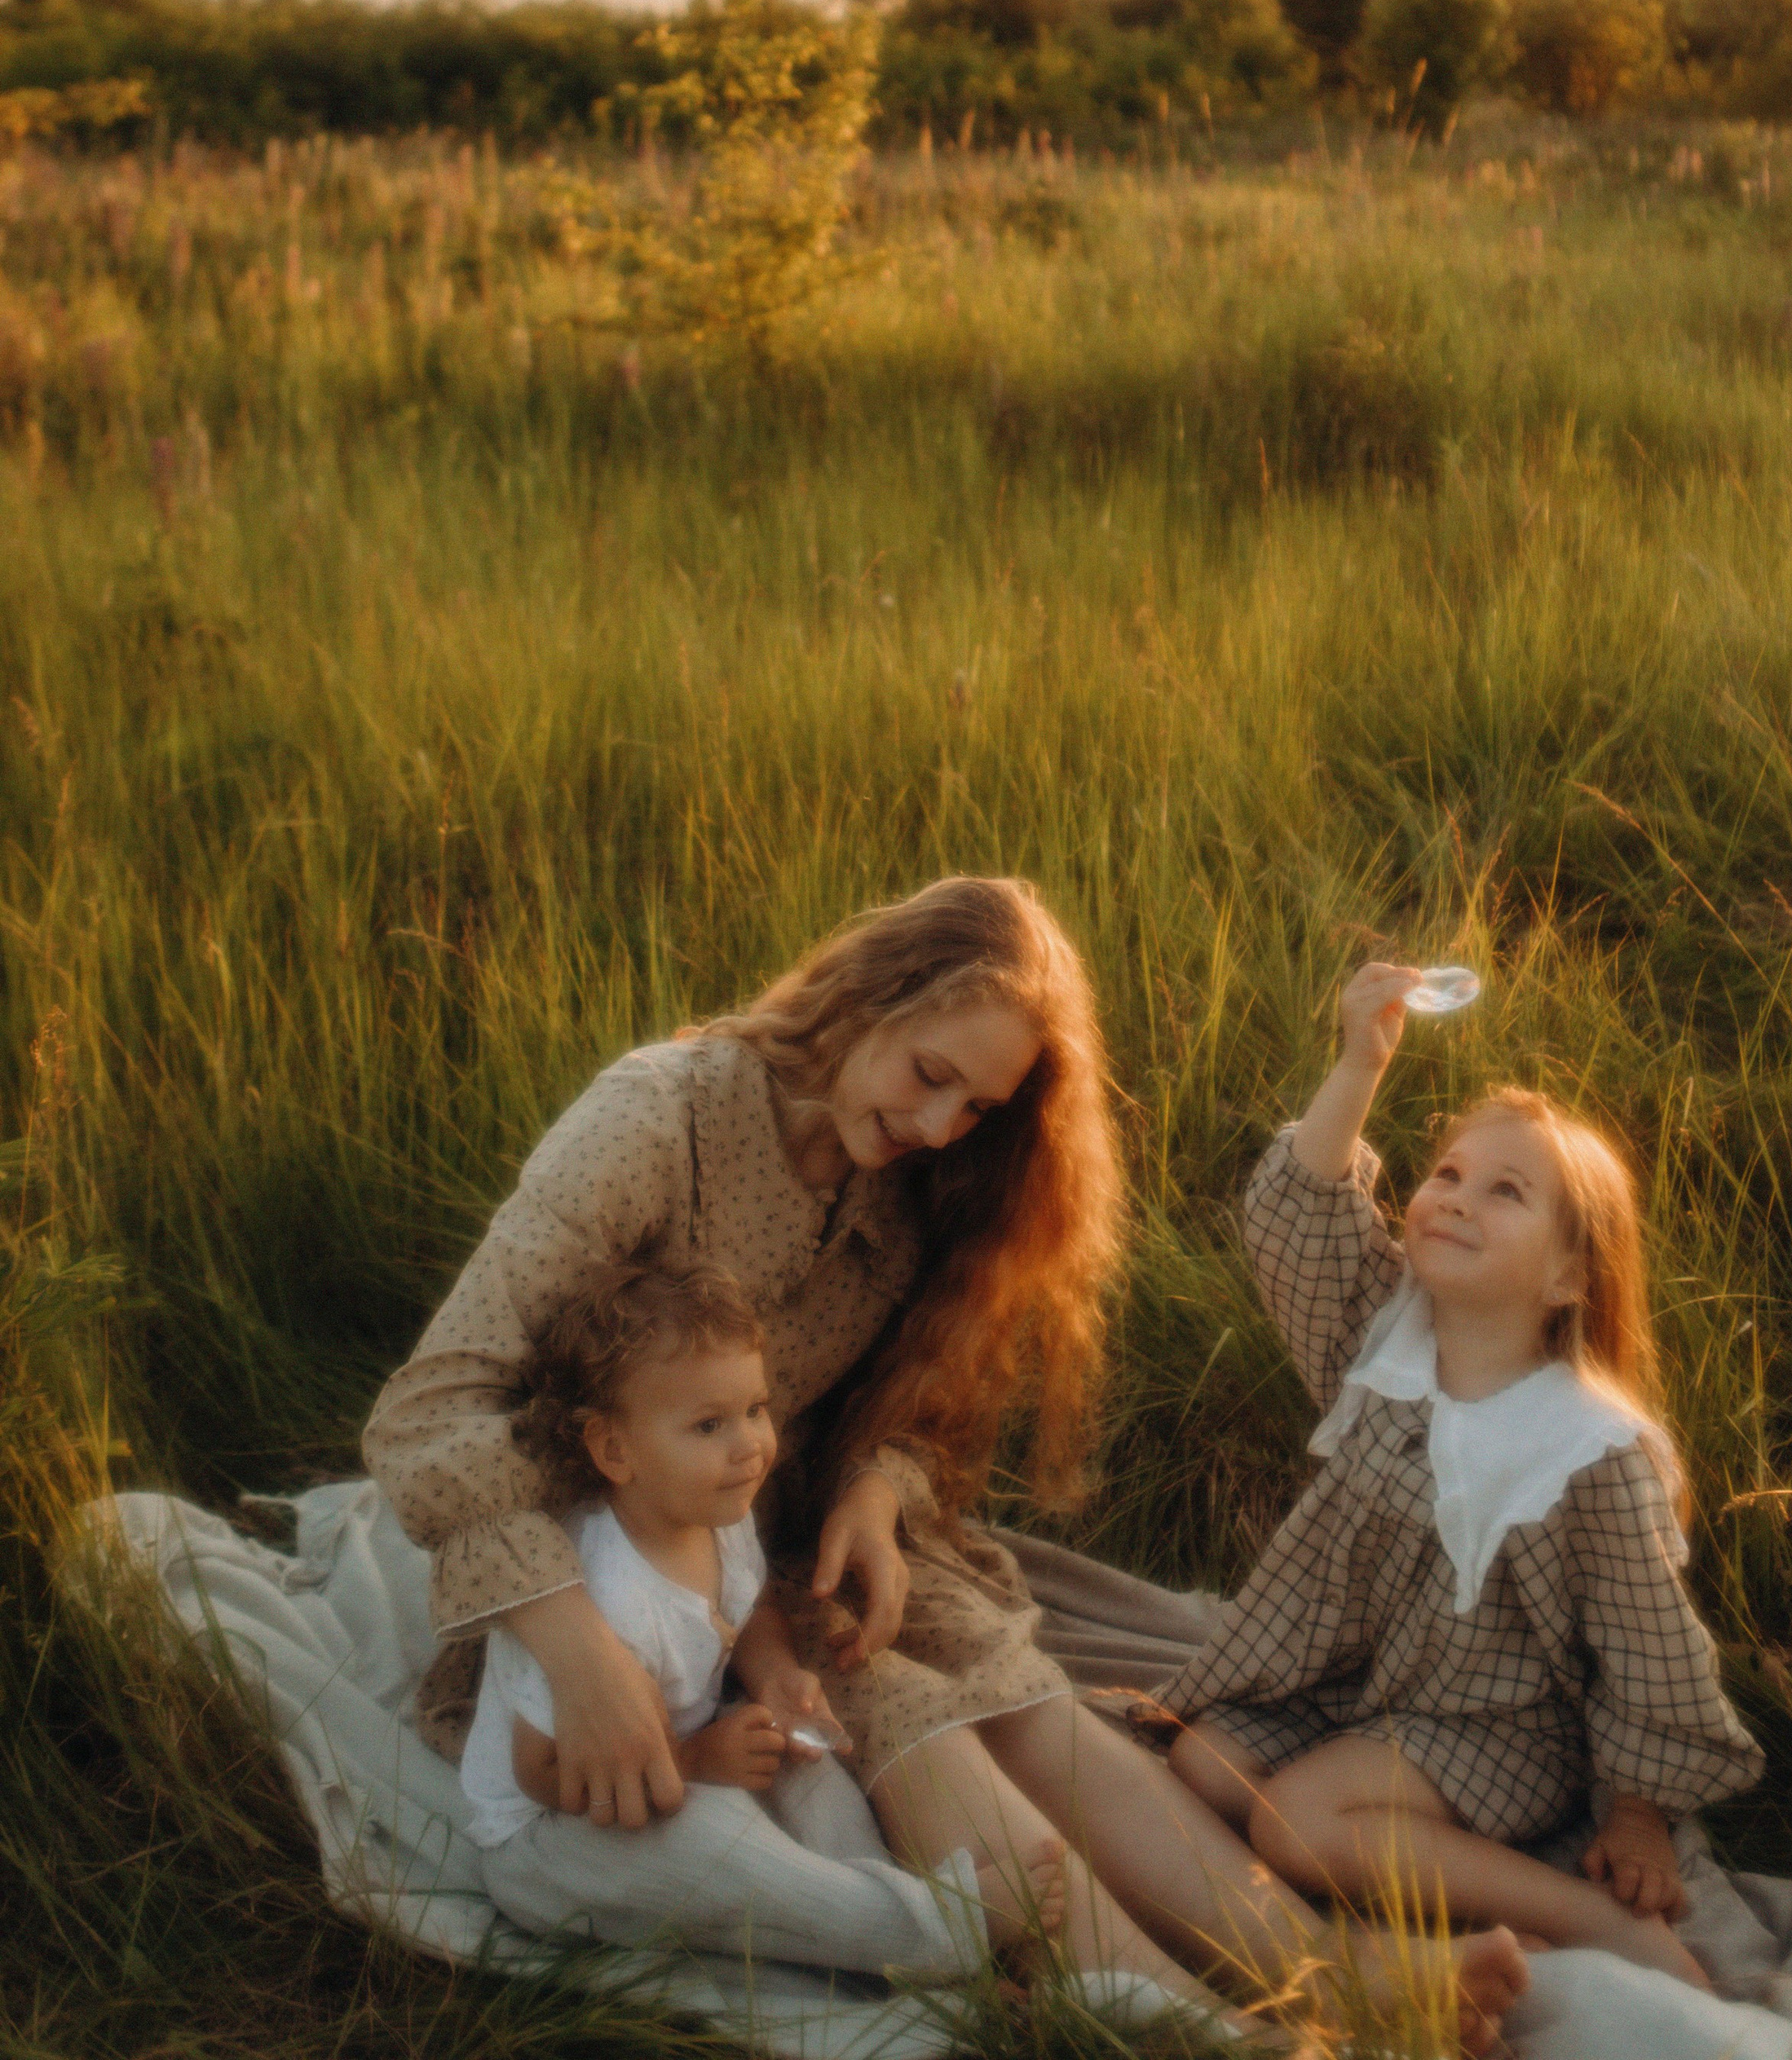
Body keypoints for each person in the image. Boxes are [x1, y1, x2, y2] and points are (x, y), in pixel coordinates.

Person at [364, 878, 1528, 2049]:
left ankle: (1320, 1965)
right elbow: (427, 1413)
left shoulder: (917, 1179)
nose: (937, 1128)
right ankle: (1190, 2025)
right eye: (930, 1077)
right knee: (888, 1691)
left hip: (760, 1544)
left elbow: (916, 1405)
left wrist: (879, 1488)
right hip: (596, 1563)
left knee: (979, 1665)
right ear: (868, 995)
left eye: (974, 1106)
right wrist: (579, 1654)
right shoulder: (657, 1122)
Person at [1161, 961, 1763, 1994]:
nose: (1453, 1198)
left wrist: (1635, 1809)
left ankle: (1582, 1922)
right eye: (1445, 1174)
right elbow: (1293, 1223)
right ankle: (1430, 1916)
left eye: (1505, 1191)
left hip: (1493, 1719)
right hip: (1348, 1674)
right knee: (1196, 1764)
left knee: (1295, 1823)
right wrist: (1360, 1062)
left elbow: (1646, 1645)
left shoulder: (1581, 1448)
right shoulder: (1383, 1339)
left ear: (1569, 1278)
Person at [459, 1255, 1064, 1971]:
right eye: (710, 1425)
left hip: (681, 1759)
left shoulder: (717, 1517)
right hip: (556, 1835)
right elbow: (540, 1769)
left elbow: (749, 1613)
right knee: (711, 1849)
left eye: (755, 1409)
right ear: (615, 1450)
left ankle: (888, 1906)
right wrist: (689, 1762)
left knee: (806, 1767)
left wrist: (776, 1676)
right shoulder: (601, 1592)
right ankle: (921, 1934)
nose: (750, 1445)